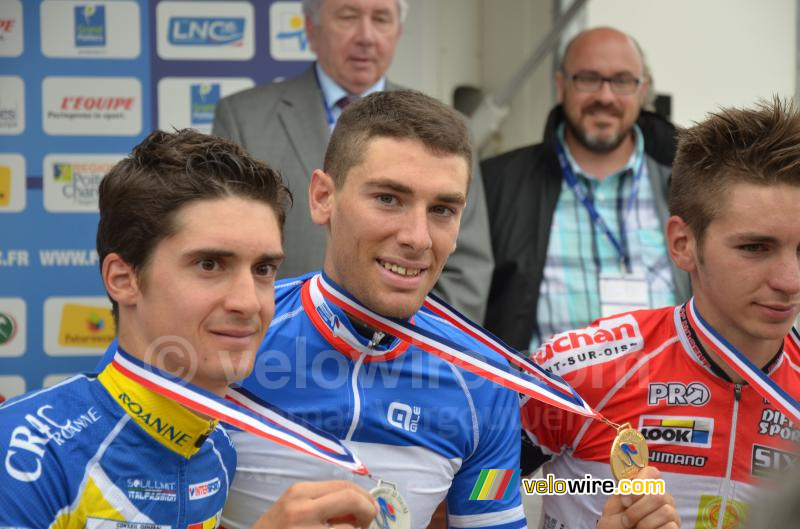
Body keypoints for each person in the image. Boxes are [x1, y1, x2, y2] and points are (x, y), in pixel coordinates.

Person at [220, 90, 679, 529]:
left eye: (442, 209)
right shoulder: (229, 335)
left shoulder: (483, 382)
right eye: (388, 198)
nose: (418, 237)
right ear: (324, 198)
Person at [0, 129, 378, 529]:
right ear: (123, 279)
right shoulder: (26, 450)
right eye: (210, 265)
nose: (248, 302)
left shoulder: (217, 452)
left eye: (264, 270)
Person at [521, 98, 800, 529]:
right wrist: (587, 491)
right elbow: (478, 488)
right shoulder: (582, 370)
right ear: (682, 244)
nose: (789, 279)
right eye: (755, 248)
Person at [212, 0, 494, 322]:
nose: (366, 36)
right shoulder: (245, 118)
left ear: (398, 32)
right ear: (310, 29)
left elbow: (467, 270)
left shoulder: (454, 131)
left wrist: (411, 345)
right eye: (348, 17)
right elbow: (227, 246)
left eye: (381, 19)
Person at [481, 27, 690, 352]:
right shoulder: (496, 184)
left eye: (622, 81)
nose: (605, 97)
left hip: (665, 398)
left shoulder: (688, 183)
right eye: (589, 79)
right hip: (545, 397)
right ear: (561, 85)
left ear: (642, 90)